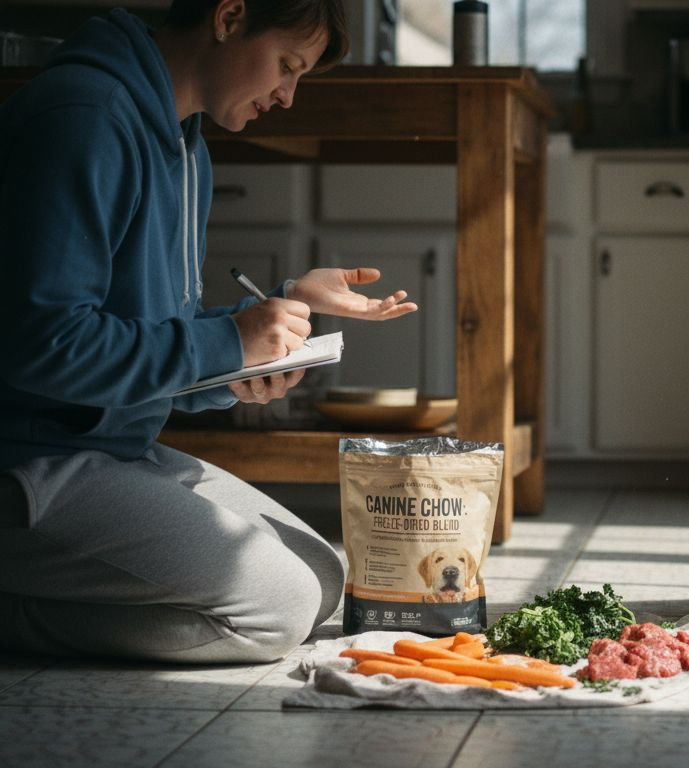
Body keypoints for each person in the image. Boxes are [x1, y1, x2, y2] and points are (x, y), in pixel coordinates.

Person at [0, 0, 418, 663]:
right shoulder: (86, 119)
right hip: (28, 464)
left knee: (325, 578)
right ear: (228, 17)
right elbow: (43, 344)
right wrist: (227, 345)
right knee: (277, 612)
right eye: (287, 65)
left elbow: (153, 338)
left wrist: (254, 345)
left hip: (108, 449)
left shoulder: (184, 140)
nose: (287, 96)